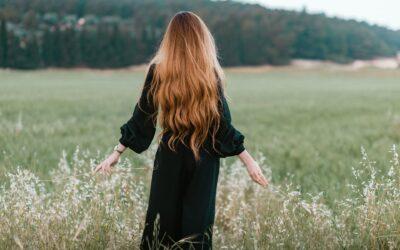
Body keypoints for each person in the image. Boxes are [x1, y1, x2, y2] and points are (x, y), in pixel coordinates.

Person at [95, 11, 268, 250]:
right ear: (201, 38)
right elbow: (222, 125)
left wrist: (117, 152)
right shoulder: (209, 73)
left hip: (170, 155)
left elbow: (143, 117)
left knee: (161, 227)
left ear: (171, 38)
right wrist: (248, 161)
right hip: (204, 158)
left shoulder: (159, 70)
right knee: (197, 230)